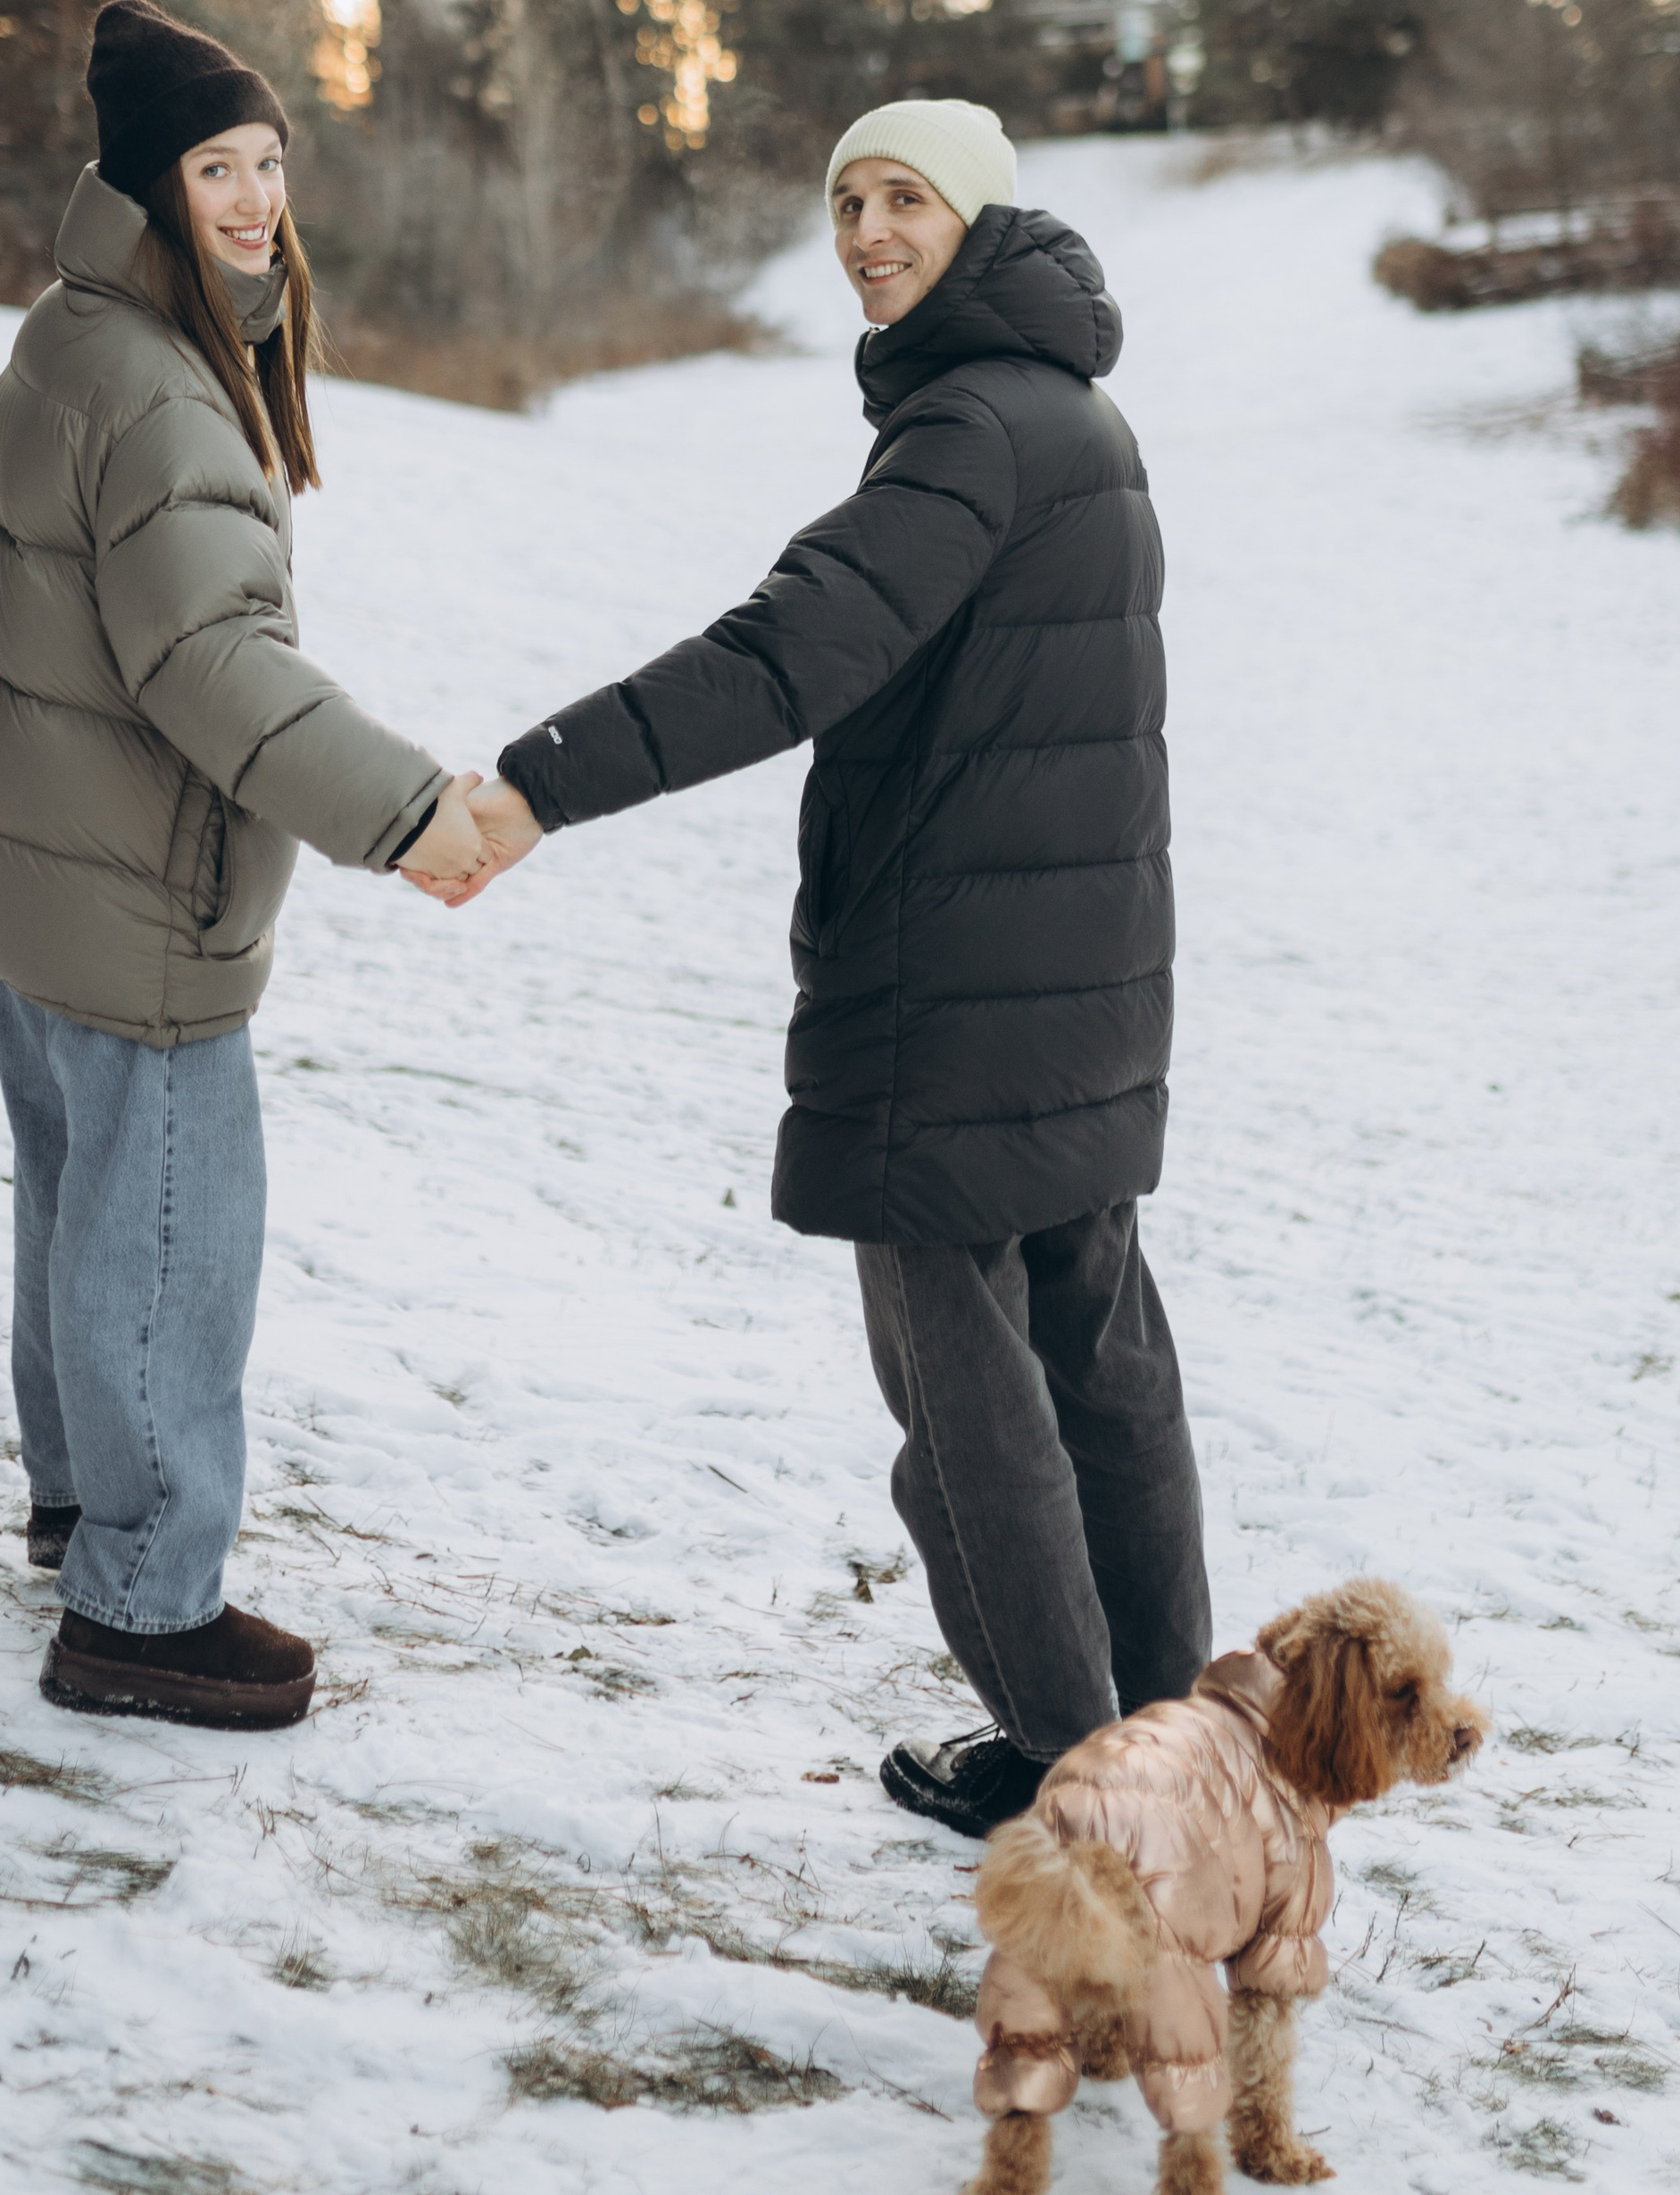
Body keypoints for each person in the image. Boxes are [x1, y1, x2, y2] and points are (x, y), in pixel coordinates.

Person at [455, 98, 1211, 1835]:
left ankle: (1064, 1767)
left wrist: (535, 785)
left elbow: (786, 647)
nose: (866, 231)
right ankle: (1168, 1743)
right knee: (1101, 1368)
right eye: (845, 201)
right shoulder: (1081, 417)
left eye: (904, 200)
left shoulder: (964, 431)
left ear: (981, 217)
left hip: (946, 1004)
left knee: (968, 1416)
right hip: (1083, 988)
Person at [0, 0, 487, 1732]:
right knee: (167, 1231)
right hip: (130, 889)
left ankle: (84, 1501)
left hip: (44, 874)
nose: (253, 199)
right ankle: (142, 1602)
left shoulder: (84, 325)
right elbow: (212, 662)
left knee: (80, 1202)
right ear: (148, 182)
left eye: (267, 164)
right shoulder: (160, 387)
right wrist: (409, 811)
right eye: (217, 165)